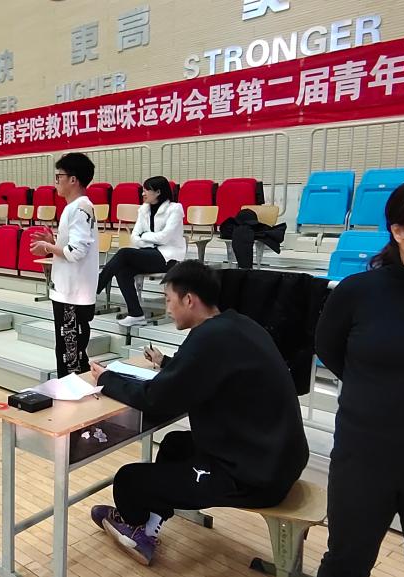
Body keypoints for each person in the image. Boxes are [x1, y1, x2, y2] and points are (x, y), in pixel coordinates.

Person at [87, 260, 308, 566]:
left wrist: (107, 379)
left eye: (169, 300)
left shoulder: (208, 339)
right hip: (276, 457)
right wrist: (167, 364)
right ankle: (153, 521)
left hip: (253, 477)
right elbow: (204, 373)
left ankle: (136, 528)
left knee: (128, 480)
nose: (168, 309)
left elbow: (157, 399)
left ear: (189, 299)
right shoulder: (238, 324)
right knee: (175, 444)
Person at [314, 177, 404, 577]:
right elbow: (330, 350)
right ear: (399, 230)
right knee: (346, 561)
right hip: (365, 457)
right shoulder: (358, 292)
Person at [29, 153, 99, 378]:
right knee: (68, 352)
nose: (56, 181)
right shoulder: (76, 207)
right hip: (68, 291)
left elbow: (76, 251)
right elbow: (71, 247)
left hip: (73, 294)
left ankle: (75, 397)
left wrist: (48, 247)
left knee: (71, 357)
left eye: (59, 176)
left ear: (73, 179)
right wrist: (54, 243)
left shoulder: (80, 207)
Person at [97, 176, 185, 327]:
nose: (143, 194)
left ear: (158, 192)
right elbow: (134, 237)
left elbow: (164, 238)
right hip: (148, 253)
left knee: (124, 253)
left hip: (168, 257)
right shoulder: (143, 209)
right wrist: (148, 238)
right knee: (123, 270)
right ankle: (136, 314)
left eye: (146, 190)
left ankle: (97, 285)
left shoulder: (175, 209)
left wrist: (144, 236)